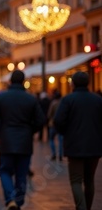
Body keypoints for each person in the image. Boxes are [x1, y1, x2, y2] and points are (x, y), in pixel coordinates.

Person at [0, 70, 45, 210]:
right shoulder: (30, 98)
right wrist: (30, 131)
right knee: (21, 173)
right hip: (24, 141)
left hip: (6, 139)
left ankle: (10, 199)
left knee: (5, 171)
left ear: (10, 81)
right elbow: (40, 120)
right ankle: (18, 202)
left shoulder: (2, 98)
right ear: (23, 81)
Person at [54, 71, 102, 210]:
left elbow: (58, 121)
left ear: (73, 83)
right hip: (95, 145)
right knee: (89, 180)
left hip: (75, 146)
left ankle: (81, 208)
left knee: (76, 180)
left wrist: (66, 133)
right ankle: (87, 207)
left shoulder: (68, 99)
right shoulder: (98, 100)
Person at [47, 91, 63, 161]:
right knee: (60, 140)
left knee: (51, 139)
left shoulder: (53, 103)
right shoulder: (63, 103)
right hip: (61, 124)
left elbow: (49, 114)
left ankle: (54, 153)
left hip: (53, 124)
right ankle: (60, 155)